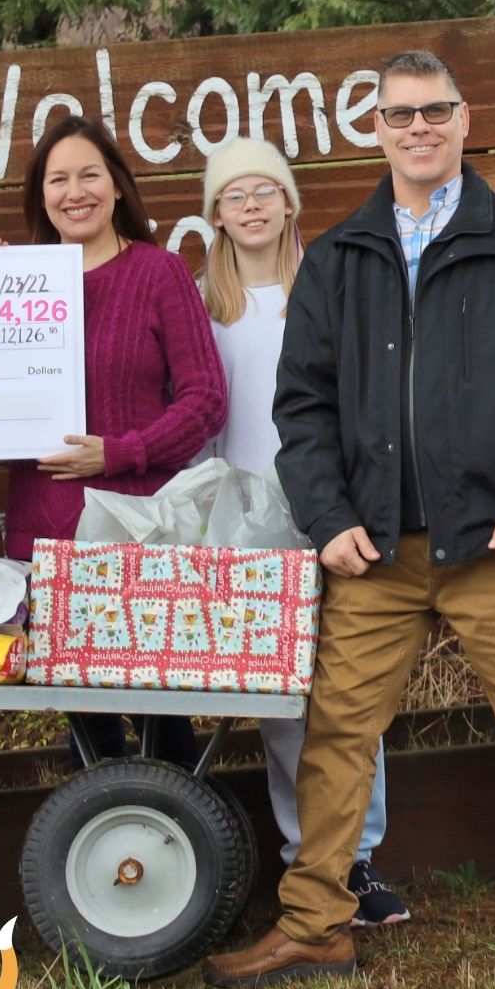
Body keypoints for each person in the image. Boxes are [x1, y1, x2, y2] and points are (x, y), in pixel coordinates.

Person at [203, 49, 495, 988]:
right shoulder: (340, 259)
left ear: (465, 122)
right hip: (373, 551)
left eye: (435, 113)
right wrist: (328, 514)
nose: (418, 129)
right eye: (400, 115)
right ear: (376, 129)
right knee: (336, 733)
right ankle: (316, 924)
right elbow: (300, 407)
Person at [197, 136, 406, 927]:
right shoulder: (202, 303)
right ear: (215, 215)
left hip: (329, 514)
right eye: (234, 196)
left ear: (290, 204)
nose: (251, 207)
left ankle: (361, 858)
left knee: (350, 693)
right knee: (282, 706)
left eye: (265, 192)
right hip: (243, 524)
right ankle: (303, 859)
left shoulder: (328, 289)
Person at [3, 115, 227, 766]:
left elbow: (206, 399)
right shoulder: (12, 284)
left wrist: (120, 452)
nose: (76, 192)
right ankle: (93, 861)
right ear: (40, 196)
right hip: (45, 537)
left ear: (119, 187)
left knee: (160, 718)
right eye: (59, 179)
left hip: (138, 533)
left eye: (90, 175)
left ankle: (187, 851)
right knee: (85, 731)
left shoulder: (158, 274)